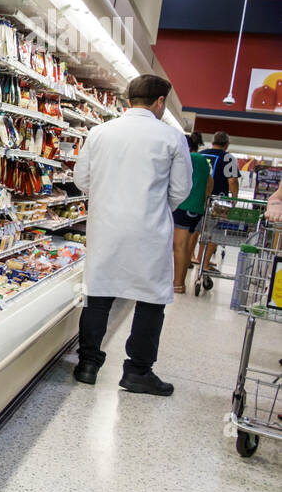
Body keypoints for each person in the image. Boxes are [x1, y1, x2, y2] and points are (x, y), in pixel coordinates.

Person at [73, 74, 193, 396]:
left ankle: (87, 364)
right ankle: (138, 371)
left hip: (106, 228)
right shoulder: (171, 138)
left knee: (98, 295)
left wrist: (108, 198)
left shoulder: (99, 132)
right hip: (148, 231)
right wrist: (151, 205)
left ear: (129, 100)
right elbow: (181, 189)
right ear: (159, 103)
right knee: (151, 299)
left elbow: (81, 179)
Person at [196, 131, 240, 279]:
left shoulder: (201, 154)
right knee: (216, 233)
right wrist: (234, 199)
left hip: (199, 199)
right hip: (218, 202)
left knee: (200, 230)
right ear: (226, 145)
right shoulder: (228, 158)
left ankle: (199, 258)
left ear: (212, 141)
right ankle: (206, 263)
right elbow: (232, 180)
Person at [172, 132, 212, 293]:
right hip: (195, 208)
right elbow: (210, 182)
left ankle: (178, 284)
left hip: (184, 206)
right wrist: (202, 199)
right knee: (186, 246)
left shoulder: (189, 158)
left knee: (179, 246)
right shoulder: (202, 160)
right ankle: (179, 282)